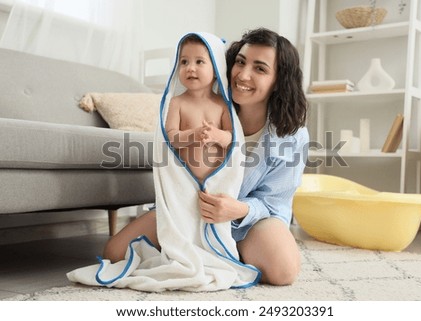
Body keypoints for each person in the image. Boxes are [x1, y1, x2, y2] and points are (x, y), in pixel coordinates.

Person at [103, 28, 309, 286]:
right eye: (240, 62)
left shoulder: (291, 136)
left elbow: (276, 202)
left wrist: (238, 210)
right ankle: (201, 249)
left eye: (260, 69)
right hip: (188, 208)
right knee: (114, 255)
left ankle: (228, 251)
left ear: (279, 80)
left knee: (283, 271)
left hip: (247, 218)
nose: (243, 75)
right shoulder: (210, 102)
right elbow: (173, 148)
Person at [165, 34, 232, 184]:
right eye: (184, 62)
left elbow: (233, 138)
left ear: (216, 70)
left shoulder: (222, 104)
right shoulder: (177, 103)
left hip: (217, 181)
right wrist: (193, 134)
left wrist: (218, 136)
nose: (190, 68)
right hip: (184, 180)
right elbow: (171, 138)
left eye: (199, 61)